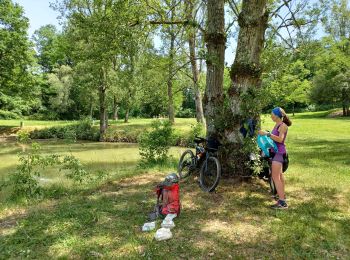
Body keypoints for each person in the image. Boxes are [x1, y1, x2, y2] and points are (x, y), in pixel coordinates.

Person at [259, 107, 292, 209]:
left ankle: (282, 203)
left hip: (279, 153)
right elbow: (274, 139)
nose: (271, 116)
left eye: (272, 114)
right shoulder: (277, 124)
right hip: (276, 152)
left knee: (275, 177)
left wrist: (267, 134)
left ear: (277, 115)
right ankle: (282, 196)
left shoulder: (283, 126)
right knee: (280, 176)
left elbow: (280, 139)